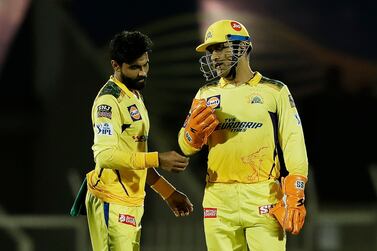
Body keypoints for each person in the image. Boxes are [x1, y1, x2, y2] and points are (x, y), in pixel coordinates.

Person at [178, 20, 309, 250]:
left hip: (263, 195)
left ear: (243, 47)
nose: (214, 56)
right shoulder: (206, 93)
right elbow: (186, 147)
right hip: (217, 197)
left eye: (220, 47)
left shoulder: (275, 90)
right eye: (210, 50)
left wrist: (296, 188)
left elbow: (293, 140)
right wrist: (191, 135)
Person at [85, 30, 193, 251]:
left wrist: (167, 191)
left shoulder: (134, 95)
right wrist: (158, 159)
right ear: (116, 65)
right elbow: (105, 156)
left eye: (145, 65)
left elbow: (133, 157)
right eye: (135, 67)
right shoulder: (109, 101)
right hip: (111, 201)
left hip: (131, 201)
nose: (142, 72)